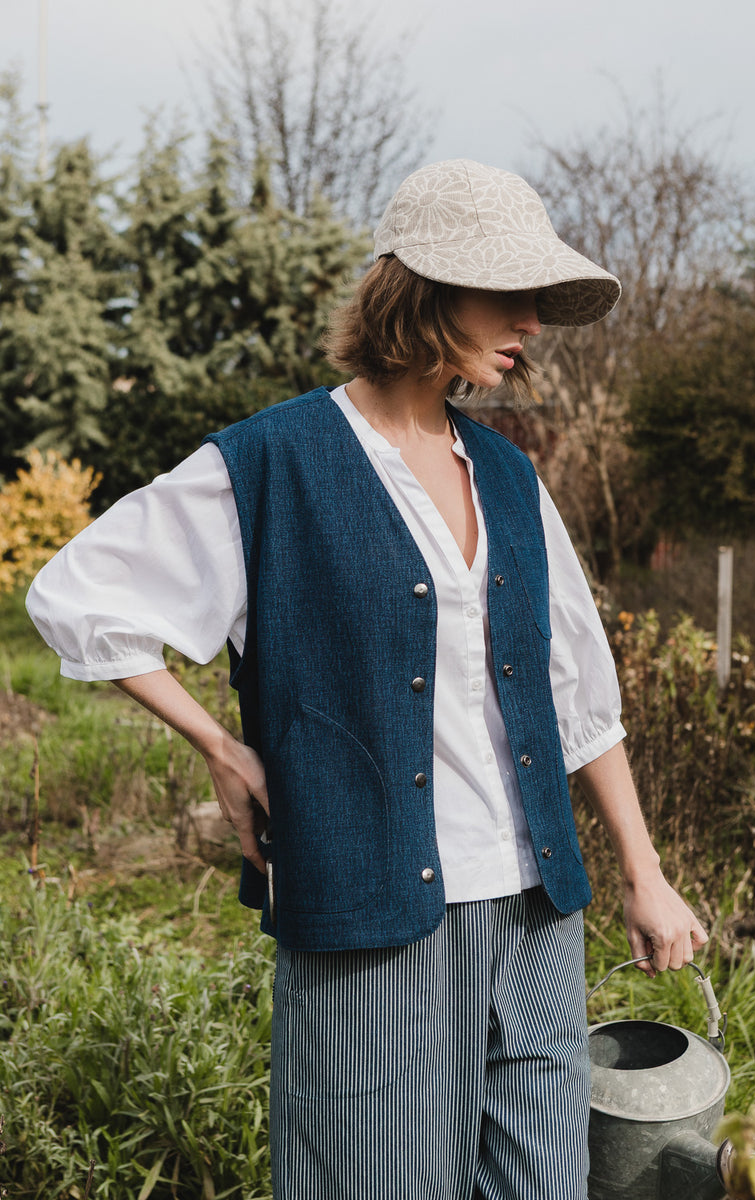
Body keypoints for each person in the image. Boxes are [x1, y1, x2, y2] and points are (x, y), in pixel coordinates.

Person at [27, 159, 708, 1200]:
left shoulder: (510, 476)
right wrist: (219, 744)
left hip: (533, 913)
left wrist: (642, 872)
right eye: (508, 291)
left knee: (541, 1187)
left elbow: (576, 688)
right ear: (428, 286)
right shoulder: (273, 462)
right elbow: (79, 596)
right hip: (366, 912)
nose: (530, 319)